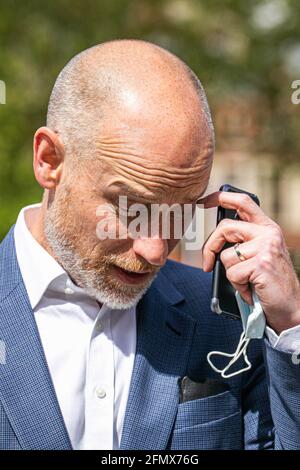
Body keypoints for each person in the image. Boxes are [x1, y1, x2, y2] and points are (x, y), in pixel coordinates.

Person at [0, 39, 299, 450]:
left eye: (182, 211)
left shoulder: (229, 324)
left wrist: (292, 325)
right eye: (132, 207)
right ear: (49, 160)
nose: (156, 250)